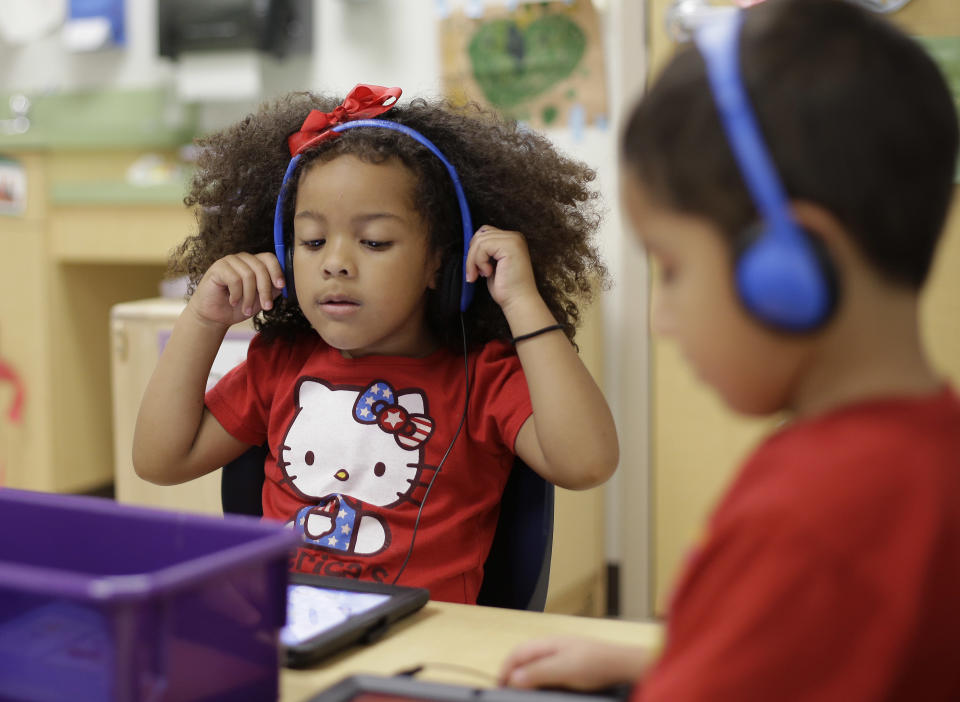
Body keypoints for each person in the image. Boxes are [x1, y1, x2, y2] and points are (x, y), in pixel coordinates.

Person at [500, 0, 960, 697]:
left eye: (673, 268)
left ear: (791, 266)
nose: (661, 320)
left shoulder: (809, 517)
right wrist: (672, 657)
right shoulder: (928, 450)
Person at [132, 85, 618, 604]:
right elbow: (160, 461)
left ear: (439, 260)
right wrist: (203, 320)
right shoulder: (281, 363)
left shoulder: (483, 376)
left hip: (422, 652)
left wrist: (520, 300)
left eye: (375, 242)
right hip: (290, 636)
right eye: (313, 242)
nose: (335, 263)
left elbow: (586, 463)